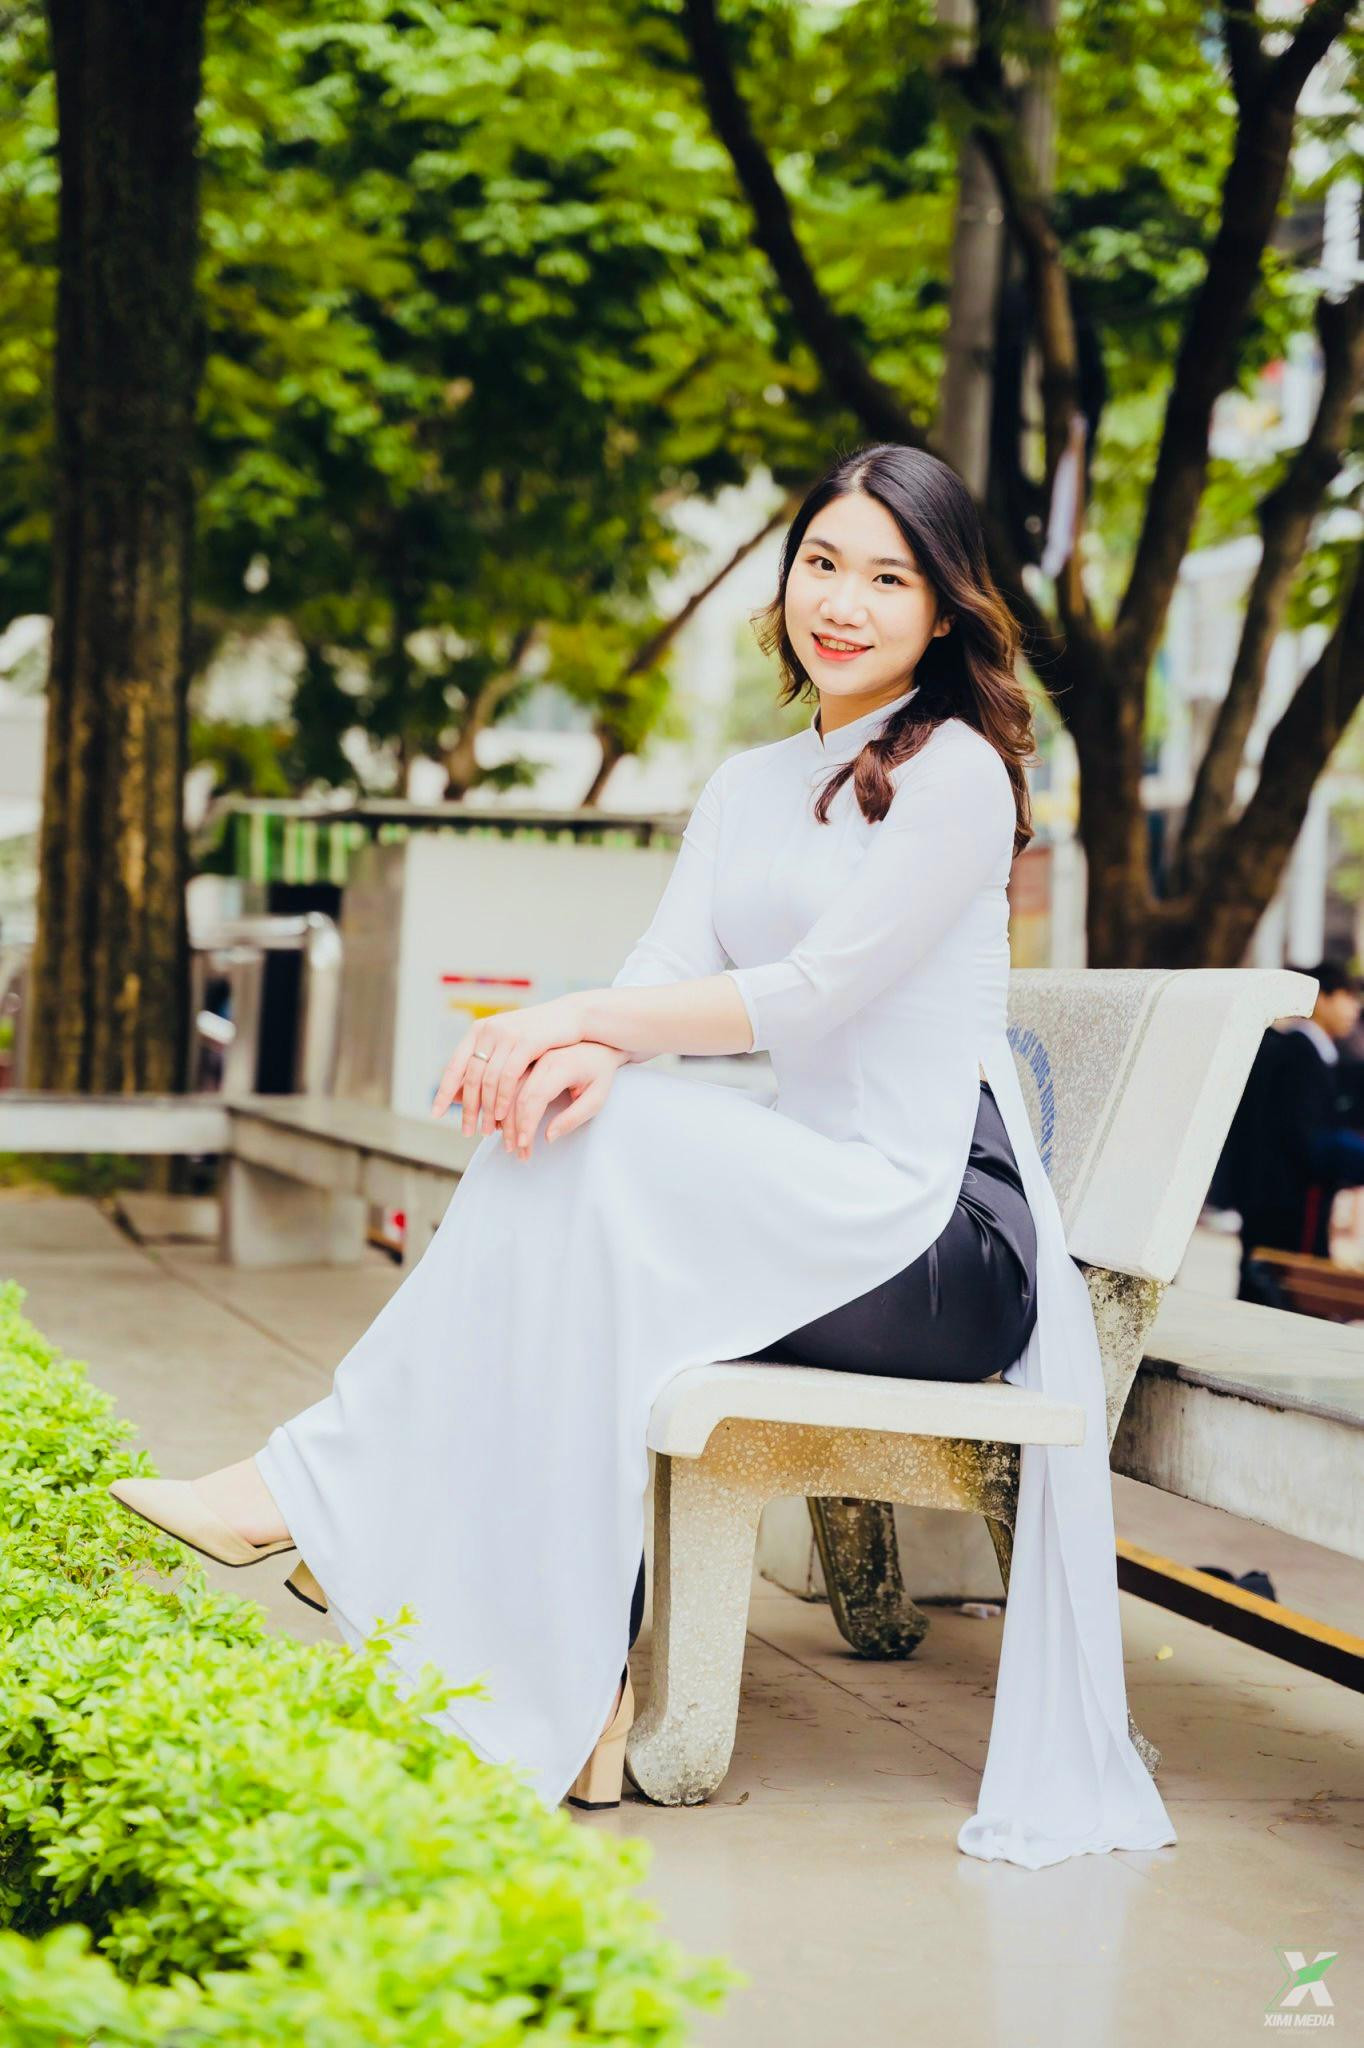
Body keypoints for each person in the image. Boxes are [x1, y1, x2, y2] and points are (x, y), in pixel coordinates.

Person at [108, 442, 1176, 1869]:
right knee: (575, 1139)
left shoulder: (957, 775)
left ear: (942, 611)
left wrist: (571, 1024)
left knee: (603, 1156)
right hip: (811, 1207)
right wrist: (577, 1052)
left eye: (886, 577)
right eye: (821, 563)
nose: (842, 601)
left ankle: (318, 1498)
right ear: (784, 577)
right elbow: (665, 970)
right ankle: (574, 1693)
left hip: (940, 1234)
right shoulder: (748, 783)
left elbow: (813, 995)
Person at [1218, 961, 1364, 1304]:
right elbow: (1307, 1140)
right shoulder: (1299, 1055)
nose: (1354, 1009)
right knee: (1275, 1303)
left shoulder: (1311, 1053)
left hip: (1279, 1203)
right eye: (1347, 997)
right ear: (1321, 999)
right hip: (1285, 1207)